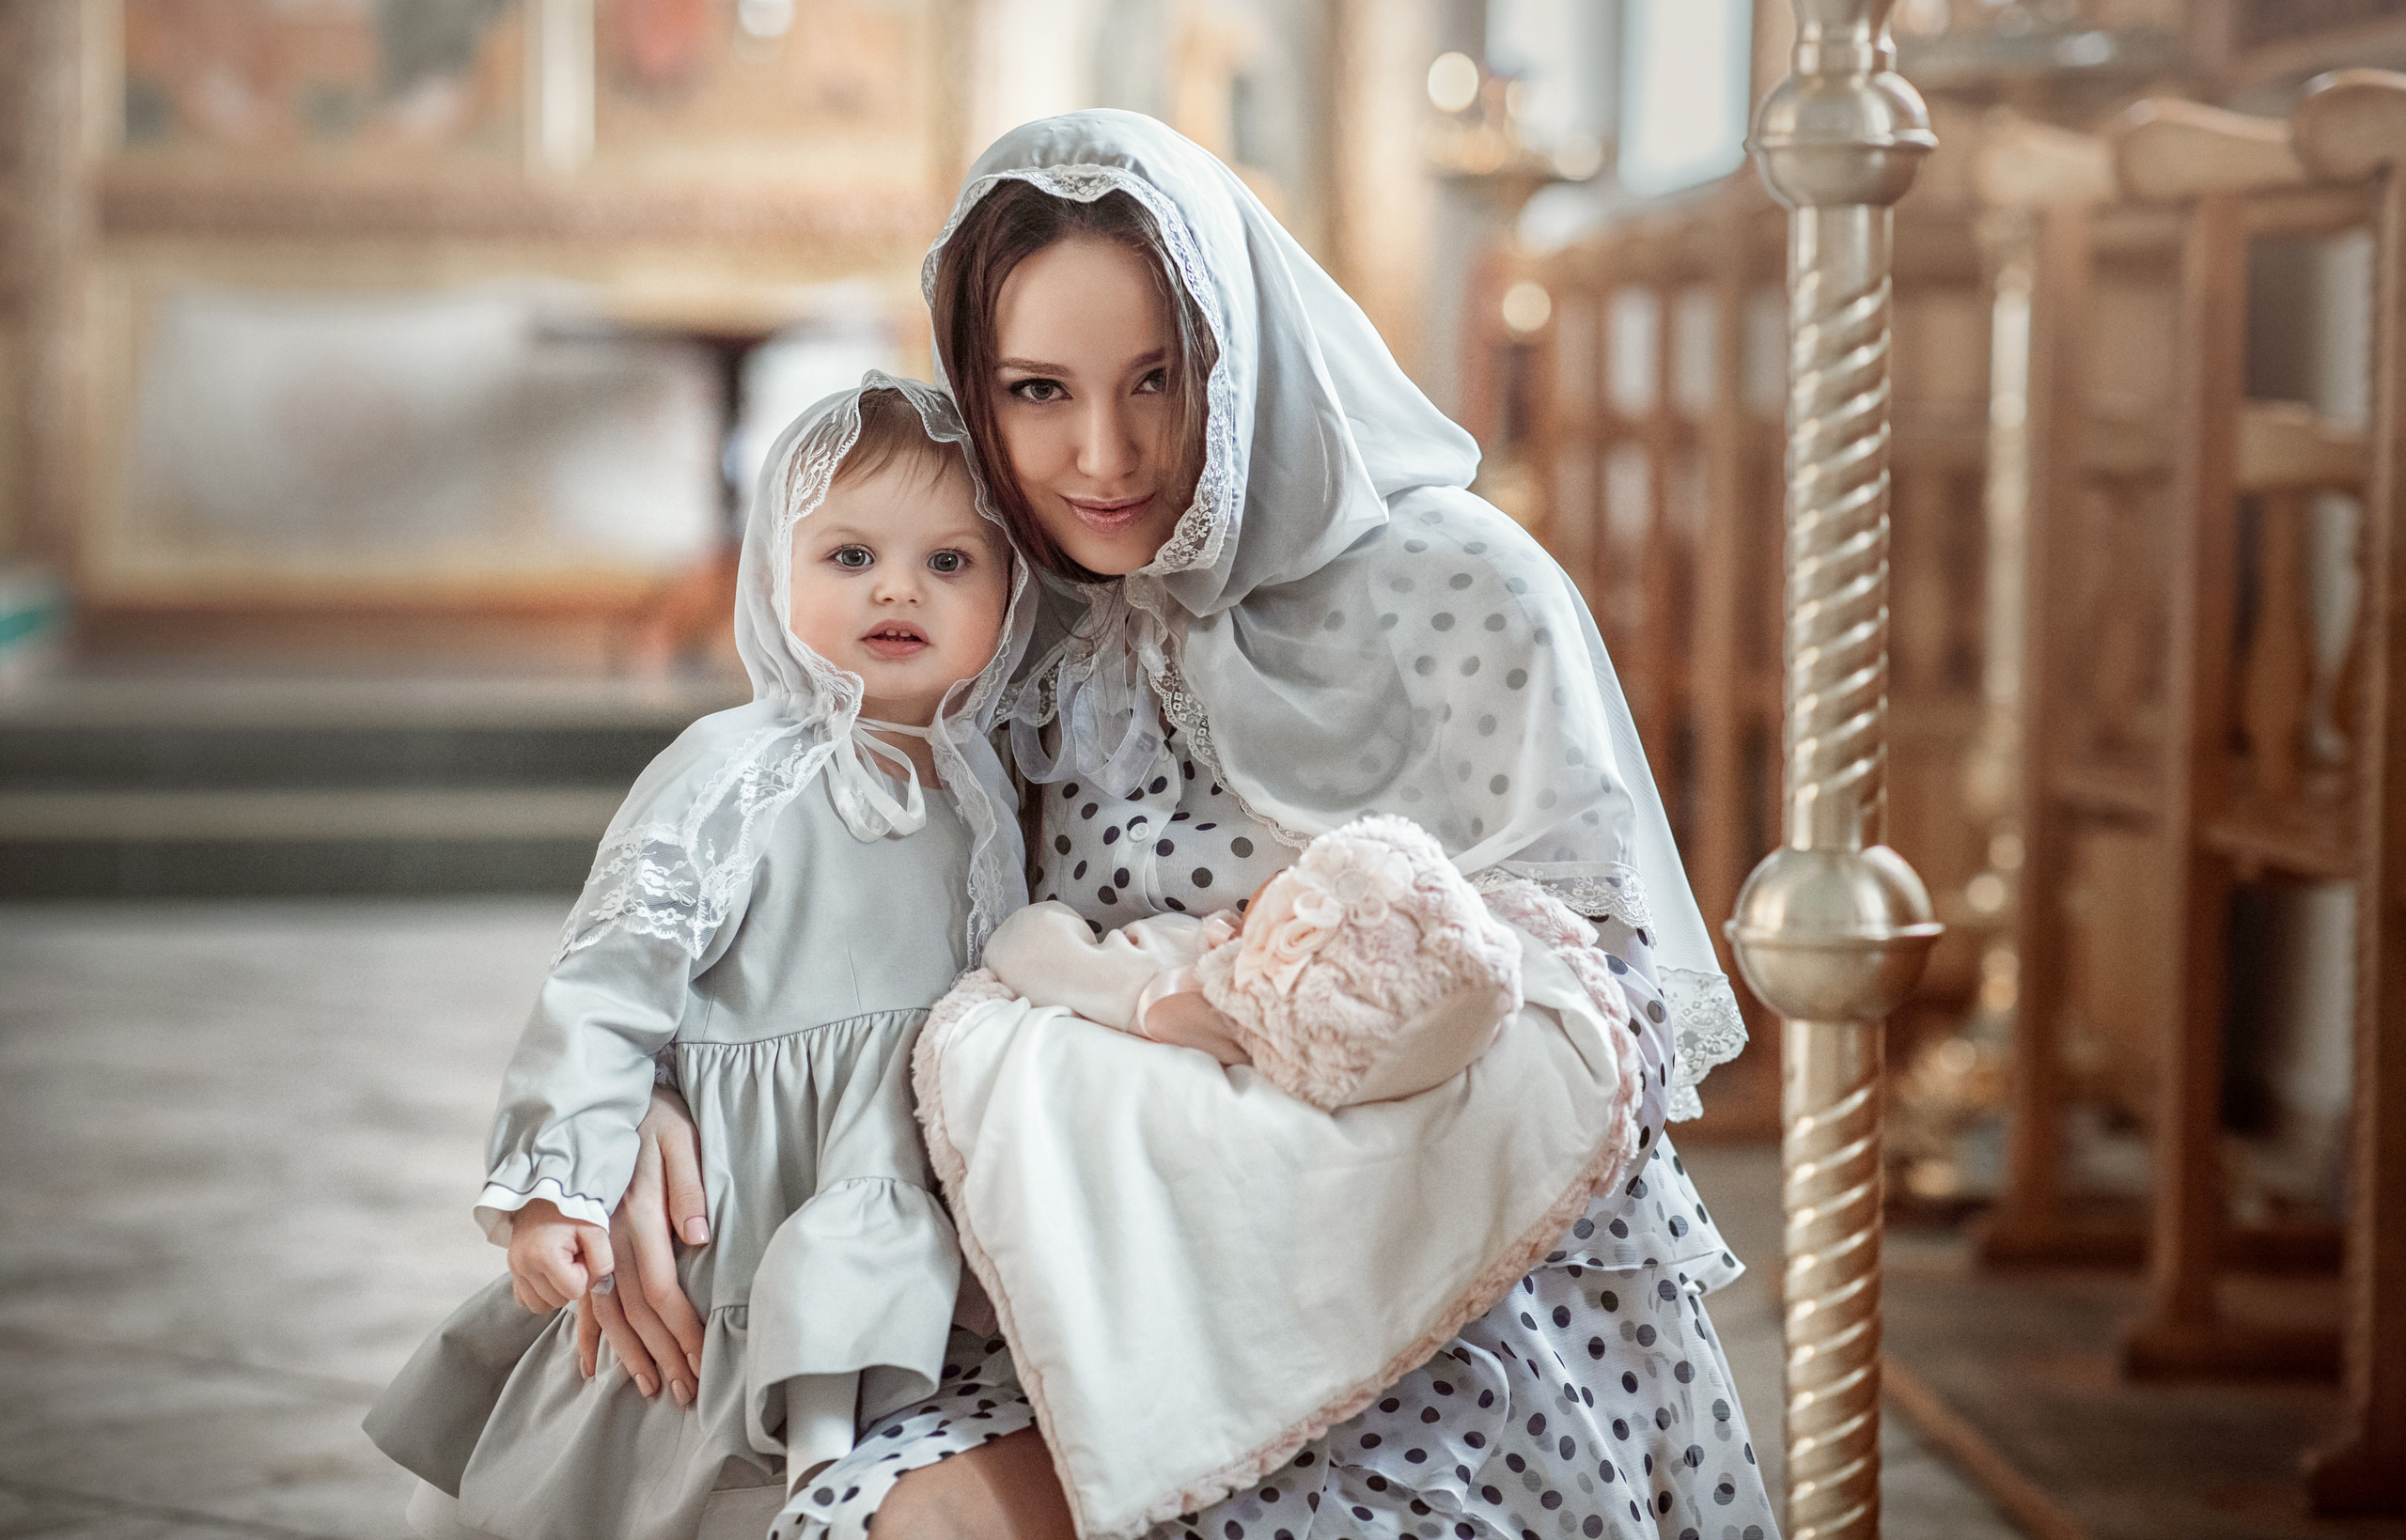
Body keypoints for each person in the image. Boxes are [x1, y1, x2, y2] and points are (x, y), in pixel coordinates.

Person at [630, 111, 1776, 1540]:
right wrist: (655, 1087)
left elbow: (1601, 1040)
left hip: (1439, 1299)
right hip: (1083, 1287)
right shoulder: (1003, 602)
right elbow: (824, 885)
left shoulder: (1466, 587)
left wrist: (1303, 1060)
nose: (1103, 455)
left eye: (1159, 381)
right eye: (1039, 390)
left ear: (1236, 355)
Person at [362, 377, 1039, 1540]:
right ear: (773, 573)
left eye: (949, 563)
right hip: (735, 1197)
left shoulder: (992, 790)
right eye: (848, 555)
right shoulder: (735, 770)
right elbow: (607, 982)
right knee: (656, 1416)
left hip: (884, 1189)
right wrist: (556, 1183)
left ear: (1012, 594)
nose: (895, 586)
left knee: (836, 1439)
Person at [981, 813, 1538, 1112]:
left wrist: (1053, 927)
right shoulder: (1231, 975)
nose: (1298, 871)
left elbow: (1024, 945)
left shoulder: (1192, 997)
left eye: (1307, 887)